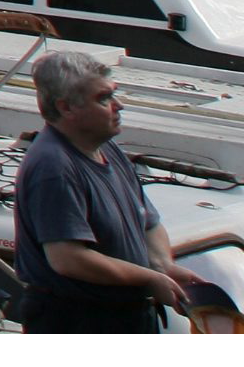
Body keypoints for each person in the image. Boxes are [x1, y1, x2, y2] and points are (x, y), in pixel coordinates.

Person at [14, 47, 187, 331]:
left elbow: (148, 222)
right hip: (78, 322)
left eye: (114, 93)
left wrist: (162, 266)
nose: (119, 105)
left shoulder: (109, 149)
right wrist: (147, 279)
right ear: (66, 107)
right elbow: (68, 258)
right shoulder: (54, 167)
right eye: (104, 98)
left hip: (127, 316)